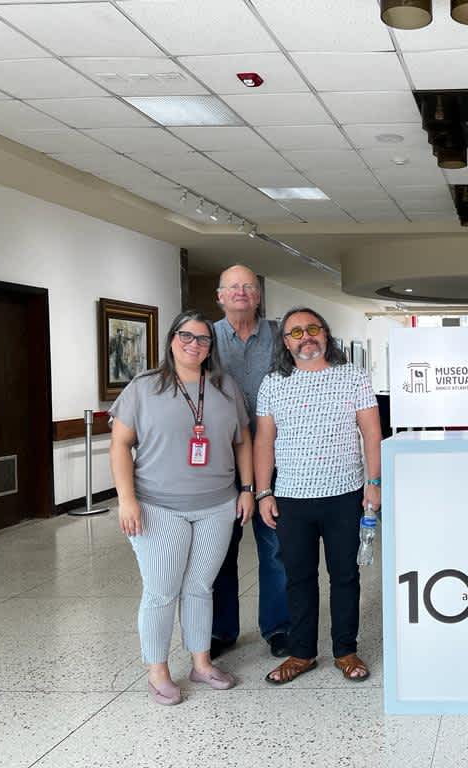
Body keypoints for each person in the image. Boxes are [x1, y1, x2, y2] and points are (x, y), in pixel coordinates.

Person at [110, 310, 254, 706]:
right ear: (171, 340)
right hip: (158, 507)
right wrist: (126, 499)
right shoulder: (144, 387)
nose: (194, 344)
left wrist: (246, 490)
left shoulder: (225, 387)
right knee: (161, 591)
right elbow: (120, 444)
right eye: (186, 336)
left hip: (217, 505)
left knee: (200, 587)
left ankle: (201, 663)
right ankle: (157, 671)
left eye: (203, 339)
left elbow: (242, 441)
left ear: (211, 347)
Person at [256, 307, 382, 685]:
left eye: (313, 328)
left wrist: (373, 482)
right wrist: (263, 492)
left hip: (345, 495)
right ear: (285, 342)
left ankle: (345, 650)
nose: (305, 336)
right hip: (291, 498)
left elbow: (371, 434)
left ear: (325, 334)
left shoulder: (353, 377)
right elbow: (264, 441)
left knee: (344, 576)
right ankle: (301, 653)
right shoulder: (272, 384)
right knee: (298, 578)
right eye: (295, 332)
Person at [210, 265, 291, 659]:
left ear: (258, 296)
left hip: (275, 457)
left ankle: (279, 627)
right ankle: (221, 630)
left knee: (275, 546)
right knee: (219, 548)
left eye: (248, 287)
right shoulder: (203, 338)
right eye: (233, 287)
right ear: (220, 296)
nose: (241, 292)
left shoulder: (279, 337)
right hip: (220, 462)